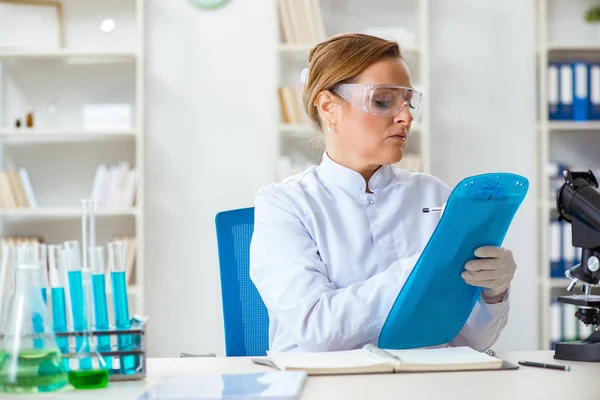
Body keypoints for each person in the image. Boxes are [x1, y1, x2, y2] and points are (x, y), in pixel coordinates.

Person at [249, 33, 516, 353]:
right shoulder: (284, 205)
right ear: (328, 106)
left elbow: (468, 341)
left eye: (408, 102)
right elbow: (315, 328)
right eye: (382, 101)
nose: (405, 117)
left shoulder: (434, 196)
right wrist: (423, 271)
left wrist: (492, 294)